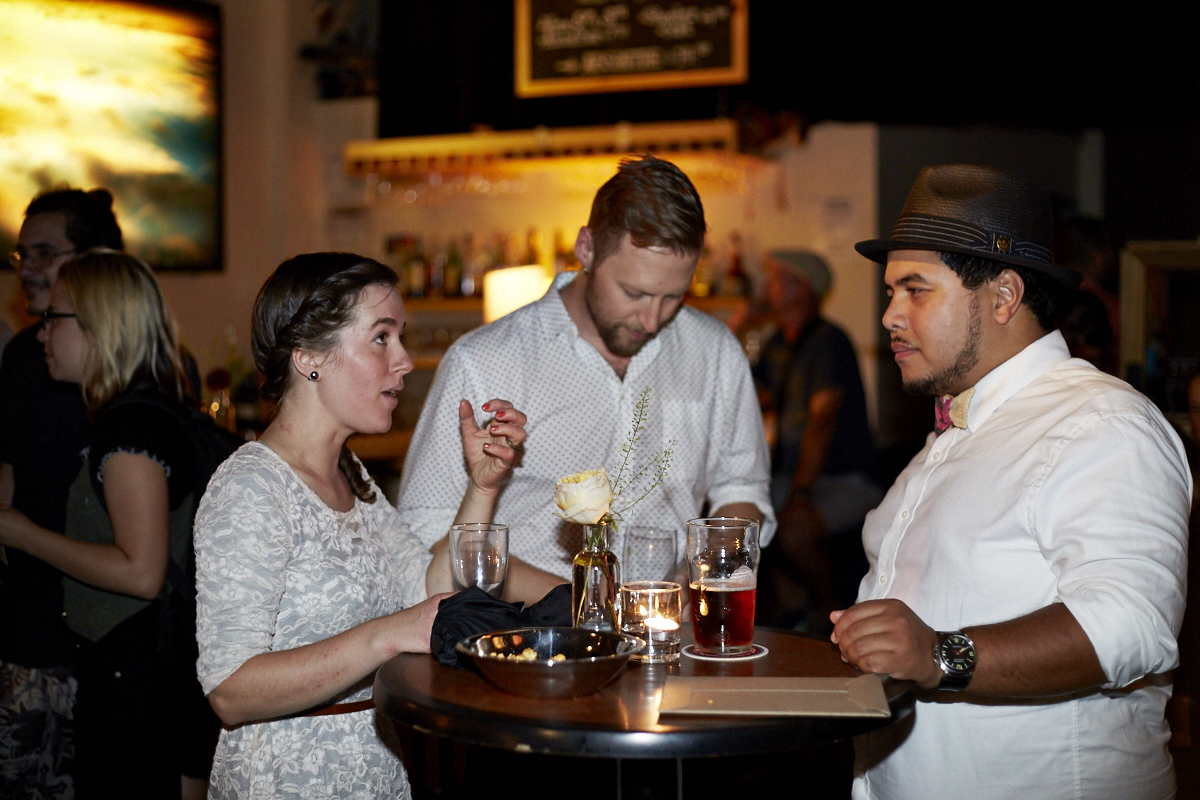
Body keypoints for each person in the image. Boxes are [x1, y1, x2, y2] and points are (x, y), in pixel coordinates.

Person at [835, 164, 1190, 799]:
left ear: (1003, 295)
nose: (890, 315)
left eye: (916, 290)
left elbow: (1133, 623)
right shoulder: (954, 431)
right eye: (890, 292)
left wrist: (942, 655)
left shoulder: (1102, 423)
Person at [194, 253, 549, 799]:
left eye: (400, 337)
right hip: (288, 781)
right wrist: (386, 635)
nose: (404, 361)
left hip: (376, 767)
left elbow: (431, 591)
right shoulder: (250, 487)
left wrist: (482, 486)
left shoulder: (349, 473)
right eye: (382, 338)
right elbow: (231, 691)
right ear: (310, 356)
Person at [397, 155, 775, 577]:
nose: (651, 320)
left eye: (673, 297)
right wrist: (572, 602)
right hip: (530, 631)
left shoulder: (714, 350)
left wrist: (702, 570)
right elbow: (426, 534)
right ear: (586, 249)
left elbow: (742, 489)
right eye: (633, 293)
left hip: (669, 631)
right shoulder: (485, 360)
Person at [0, 250, 218, 799]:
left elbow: (140, 571)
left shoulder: (130, 428)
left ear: (100, 325)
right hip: (149, 675)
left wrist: (20, 532)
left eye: (54, 318)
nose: (41, 333)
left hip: (139, 680)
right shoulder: (151, 411)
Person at [0, 188, 123, 800]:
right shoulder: (26, 356)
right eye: (21, 254)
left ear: (96, 258)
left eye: (45, 253)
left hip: (109, 644)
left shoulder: (137, 376)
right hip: (29, 631)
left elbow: (145, 562)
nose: (26, 268)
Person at [752, 250, 881, 630]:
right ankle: (791, 613)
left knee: (793, 529)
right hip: (794, 477)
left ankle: (832, 614)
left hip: (847, 478)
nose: (769, 288)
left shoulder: (830, 342)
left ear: (802, 288)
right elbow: (736, 390)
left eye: (778, 279)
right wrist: (744, 320)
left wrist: (801, 493)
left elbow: (821, 423)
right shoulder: (778, 343)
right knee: (740, 517)